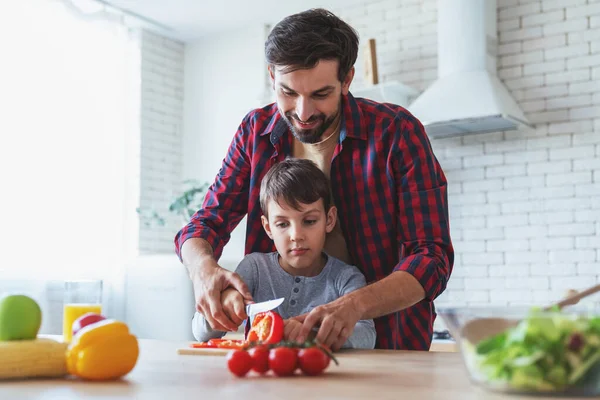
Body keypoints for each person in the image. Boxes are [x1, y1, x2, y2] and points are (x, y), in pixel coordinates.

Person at [175, 8, 454, 351]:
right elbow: (206, 223)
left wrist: (352, 306)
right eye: (288, 92)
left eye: (320, 94)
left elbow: (431, 257)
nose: (303, 112)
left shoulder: (397, 132)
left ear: (347, 80)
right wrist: (202, 269)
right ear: (271, 76)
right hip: (277, 352)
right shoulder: (254, 132)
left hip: (390, 341)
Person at [191, 158, 376, 349]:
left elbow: (368, 337)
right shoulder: (254, 268)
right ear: (268, 227)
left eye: (309, 221)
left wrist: (314, 333)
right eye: (282, 224)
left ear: (329, 220)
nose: (296, 235)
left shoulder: (345, 278)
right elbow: (200, 332)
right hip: (260, 375)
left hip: (323, 376)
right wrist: (224, 303)